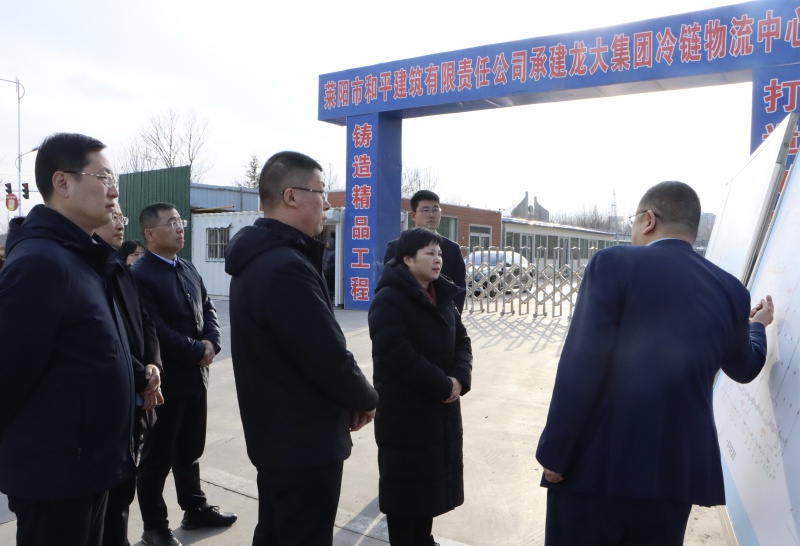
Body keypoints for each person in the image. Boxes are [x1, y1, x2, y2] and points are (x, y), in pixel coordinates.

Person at [535, 181, 775, 546]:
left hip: (597, 466)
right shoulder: (731, 290)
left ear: (648, 219)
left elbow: (581, 365)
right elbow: (745, 368)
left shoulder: (614, 263)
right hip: (675, 476)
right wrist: (757, 327)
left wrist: (555, 451)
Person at [224, 151, 379, 546]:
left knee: (276, 532)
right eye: (321, 192)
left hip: (277, 437)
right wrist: (365, 397)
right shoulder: (284, 266)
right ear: (291, 196)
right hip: (303, 443)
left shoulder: (261, 259)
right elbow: (326, 354)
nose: (327, 204)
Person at [0, 132, 136, 546]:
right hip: (56, 477)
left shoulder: (81, 258)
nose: (114, 192)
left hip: (87, 468)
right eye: (104, 177)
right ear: (62, 183)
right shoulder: (41, 263)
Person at [132, 203, 234, 546]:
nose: (180, 228)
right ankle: (154, 527)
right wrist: (196, 350)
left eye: (181, 222)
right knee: (157, 458)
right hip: (165, 382)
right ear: (150, 233)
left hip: (195, 378)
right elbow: (154, 329)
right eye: (172, 223)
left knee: (190, 449)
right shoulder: (140, 275)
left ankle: (195, 509)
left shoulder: (187, 267)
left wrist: (212, 342)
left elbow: (208, 307)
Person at [368, 227, 472, 546]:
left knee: (429, 486)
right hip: (405, 412)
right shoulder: (389, 299)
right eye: (429, 253)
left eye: (439, 253)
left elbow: (462, 340)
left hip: (439, 410)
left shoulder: (442, 295)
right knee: (405, 489)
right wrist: (442, 385)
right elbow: (397, 353)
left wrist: (459, 378)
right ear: (408, 259)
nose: (438, 259)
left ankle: (424, 539)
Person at [95, 202, 164, 546]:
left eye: (121, 217)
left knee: (123, 494)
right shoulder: (92, 271)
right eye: (112, 217)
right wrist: (143, 377)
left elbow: (146, 322)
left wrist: (154, 366)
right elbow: (102, 339)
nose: (119, 223)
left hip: (135, 398)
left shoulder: (122, 270)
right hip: (113, 402)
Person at [384, 190, 466, 312]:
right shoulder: (397, 247)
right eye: (425, 210)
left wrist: (452, 318)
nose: (431, 215)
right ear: (413, 215)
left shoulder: (452, 249)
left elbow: (459, 288)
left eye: (435, 210)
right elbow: (388, 284)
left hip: (442, 315)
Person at [322, 231, 336, 300]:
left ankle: (331, 297)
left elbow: (335, 263)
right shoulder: (325, 250)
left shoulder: (334, 252)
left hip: (330, 273)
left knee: (330, 286)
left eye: (328, 242)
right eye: (327, 242)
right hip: (323, 272)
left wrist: (330, 268)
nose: (327, 243)